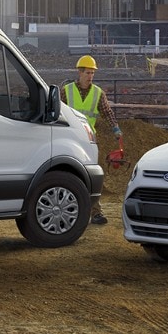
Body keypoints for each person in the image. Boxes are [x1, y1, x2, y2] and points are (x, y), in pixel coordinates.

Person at [64, 55, 120, 225]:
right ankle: (70, 211)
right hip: (68, 139)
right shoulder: (66, 91)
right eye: (88, 72)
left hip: (88, 140)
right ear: (79, 73)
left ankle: (96, 212)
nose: (90, 76)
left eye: (92, 73)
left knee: (91, 176)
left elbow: (107, 112)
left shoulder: (98, 93)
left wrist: (115, 128)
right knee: (69, 176)